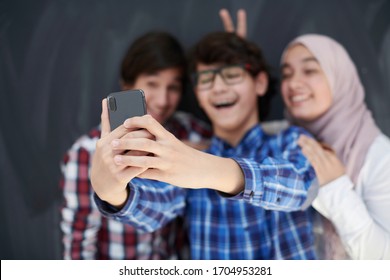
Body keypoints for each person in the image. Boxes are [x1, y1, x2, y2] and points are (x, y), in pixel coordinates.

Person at [90, 31, 318, 259]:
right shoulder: (188, 155)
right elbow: (157, 206)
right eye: (206, 79)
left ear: (259, 82)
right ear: (197, 95)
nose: (218, 87)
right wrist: (114, 193)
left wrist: (208, 170)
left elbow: (303, 188)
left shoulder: (291, 140)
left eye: (231, 74)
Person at [59, 31, 212, 259]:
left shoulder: (188, 131)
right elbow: (79, 245)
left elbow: (230, 146)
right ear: (127, 85)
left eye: (173, 87)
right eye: (152, 84)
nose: (163, 100)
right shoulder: (86, 153)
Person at [280, 34, 390, 259]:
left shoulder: (380, 157)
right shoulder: (287, 140)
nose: (293, 83)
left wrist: (335, 188)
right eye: (286, 74)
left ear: (339, 77)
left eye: (310, 70)